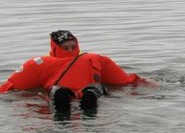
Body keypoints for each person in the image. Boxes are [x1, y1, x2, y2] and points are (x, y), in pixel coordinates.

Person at [1, 30, 145, 112]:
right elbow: (126, 82)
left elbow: (9, 88)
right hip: (70, 93)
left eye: (73, 47)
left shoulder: (38, 63)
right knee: (67, 91)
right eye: (66, 48)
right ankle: (77, 99)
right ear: (55, 48)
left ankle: (80, 98)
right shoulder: (96, 58)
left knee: (91, 90)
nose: (70, 51)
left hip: (82, 93)